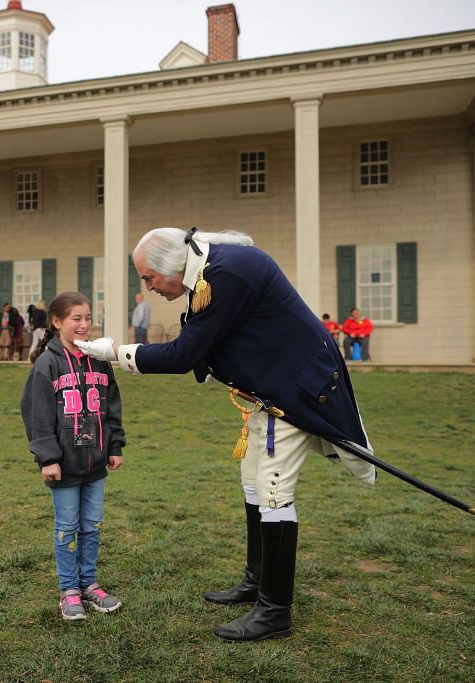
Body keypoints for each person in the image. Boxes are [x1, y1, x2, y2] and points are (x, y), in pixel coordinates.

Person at [75, 227, 376, 643]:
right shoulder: (214, 271)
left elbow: (185, 355)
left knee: (272, 491)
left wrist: (112, 351)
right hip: (268, 391)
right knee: (253, 481)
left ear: (171, 265)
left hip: (293, 392)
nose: (148, 286)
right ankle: (256, 581)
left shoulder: (225, 274)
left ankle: (274, 611)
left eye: (148, 278)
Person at [21, 292, 126, 622]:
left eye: (87, 318)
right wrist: (48, 457)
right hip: (63, 465)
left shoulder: (98, 360)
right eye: (75, 319)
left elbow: (111, 407)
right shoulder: (47, 364)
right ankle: (69, 590)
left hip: (95, 463)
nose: (84, 324)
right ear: (56, 322)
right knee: (67, 526)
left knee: (92, 526)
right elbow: (37, 415)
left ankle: (89, 584)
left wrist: (114, 446)